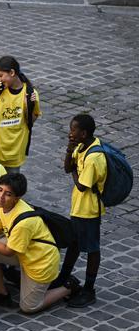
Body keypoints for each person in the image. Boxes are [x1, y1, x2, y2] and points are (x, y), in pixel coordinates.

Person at [0, 173, 76, 313]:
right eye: (0, 189)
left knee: (29, 307)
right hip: (23, 251)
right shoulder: (0, 204)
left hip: (40, 262)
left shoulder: (24, 223)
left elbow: (8, 251)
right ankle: (0, 292)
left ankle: (68, 287)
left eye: (8, 194)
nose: (0, 196)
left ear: (17, 198)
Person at [61, 113, 106, 308]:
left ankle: (89, 288)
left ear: (84, 133)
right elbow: (66, 167)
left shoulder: (94, 157)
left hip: (89, 210)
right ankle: (63, 276)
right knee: (74, 243)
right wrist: (70, 150)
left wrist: (73, 166)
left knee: (91, 247)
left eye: (74, 130)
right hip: (78, 207)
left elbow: (81, 185)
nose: (71, 133)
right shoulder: (81, 146)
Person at [0, 56, 40, 174]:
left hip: (14, 152)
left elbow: (31, 120)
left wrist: (28, 107)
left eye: (0, 75)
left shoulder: (30, 94)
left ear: (12, 72)